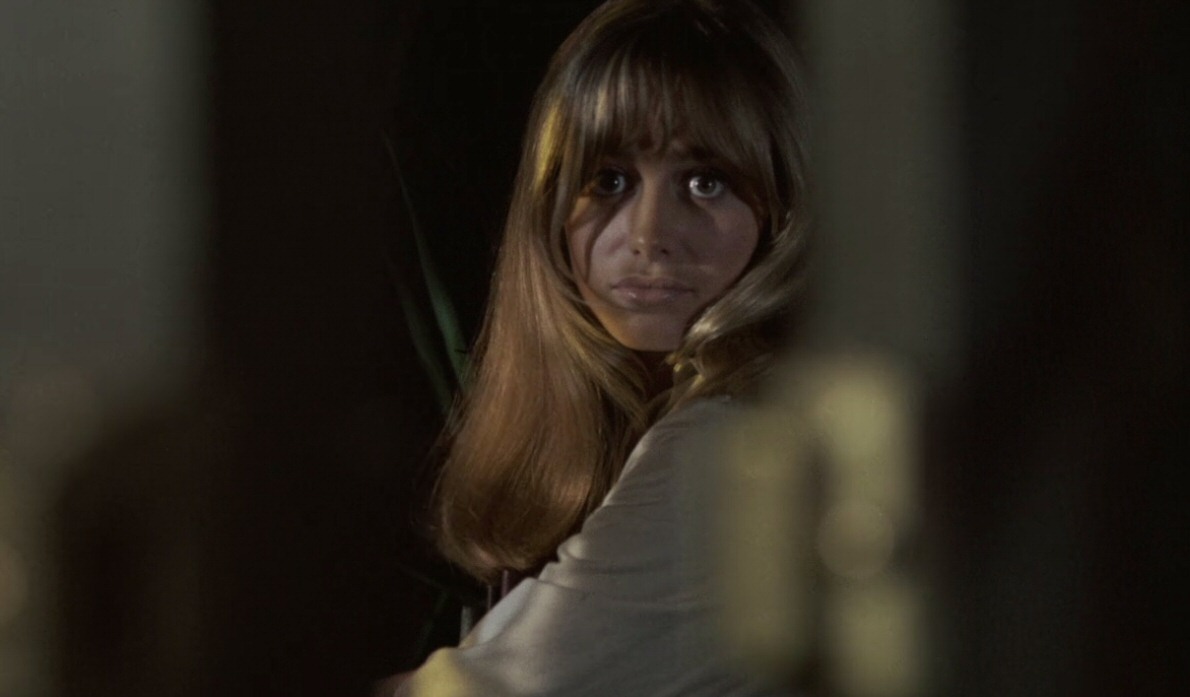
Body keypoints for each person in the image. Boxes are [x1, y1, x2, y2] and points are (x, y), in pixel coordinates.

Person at [394, 0, 810, 694]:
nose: (648, 235)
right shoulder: (672, 421)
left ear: (781, 208)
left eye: (705, 182)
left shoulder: (728, 445)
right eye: (608, 180)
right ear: (550, 205)